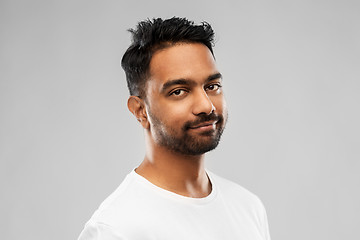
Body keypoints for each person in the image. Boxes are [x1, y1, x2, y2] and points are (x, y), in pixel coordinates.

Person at [78, 17, 271, 240]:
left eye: (212, 86)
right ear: (140, 111)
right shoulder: (115, 229)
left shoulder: (248, 207)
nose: (206, 105)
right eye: (179, 91)